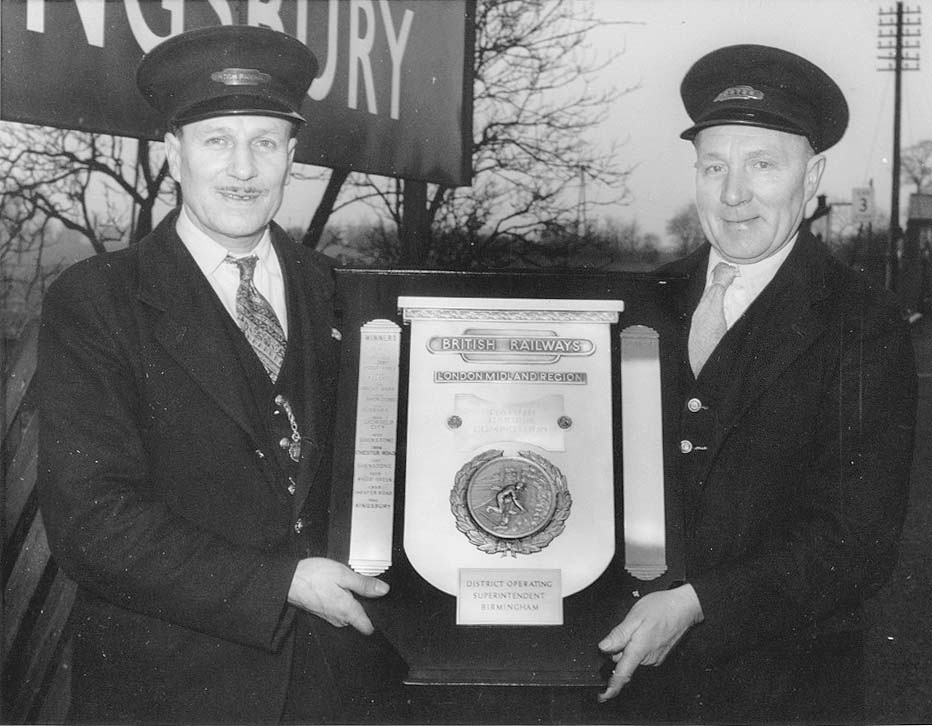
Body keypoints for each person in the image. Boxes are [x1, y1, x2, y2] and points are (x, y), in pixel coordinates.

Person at [36, 25, 403, 724]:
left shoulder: (341, 295)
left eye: (265, 142)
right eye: (216, 141)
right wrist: (282, 584)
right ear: (174, 154)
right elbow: (93, 524)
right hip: (168, 690)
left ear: (292, 156)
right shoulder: (97, 301)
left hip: (332, 688)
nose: (242, 168)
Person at [597, 44, 917, 722]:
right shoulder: (641, 303)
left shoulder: (863, 322)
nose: (733, 193)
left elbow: (854, 540)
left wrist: (697, 603)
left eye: (763, 165)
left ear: (812, 178)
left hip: (784, 692)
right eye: (714, 166)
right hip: (629, 682)